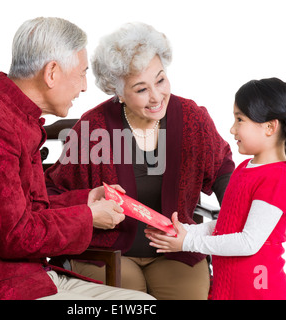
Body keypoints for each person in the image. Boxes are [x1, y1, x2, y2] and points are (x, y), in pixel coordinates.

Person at [0, 17, 154, 300]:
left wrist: (84, 200)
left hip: (27, 277)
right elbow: (14, 235)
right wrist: (88, 217)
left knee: (141, 303)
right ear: (52, 73)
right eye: (82, 73)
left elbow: (24, 208)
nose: (84, 87)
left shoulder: (11, 116)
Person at [44, 22, 234, 300]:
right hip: (109, 251)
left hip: (177, 250)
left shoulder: (192, 117)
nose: (157, 96)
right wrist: (90, 206)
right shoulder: (93, 127)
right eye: (141, 89)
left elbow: (222, 169)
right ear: (118, 92)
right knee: (131, 301)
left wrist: (235, 223)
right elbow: (52, 191)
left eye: (160, 80)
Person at [146, 77, 286, 300]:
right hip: (228, 289)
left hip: (259, 292)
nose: (232, 129)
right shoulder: (245, 168)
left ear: (269, 127)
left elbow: (248, 241)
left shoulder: (277, 178)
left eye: (240, 120)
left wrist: (188, 242)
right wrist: (184, 231)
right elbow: (228, 225)